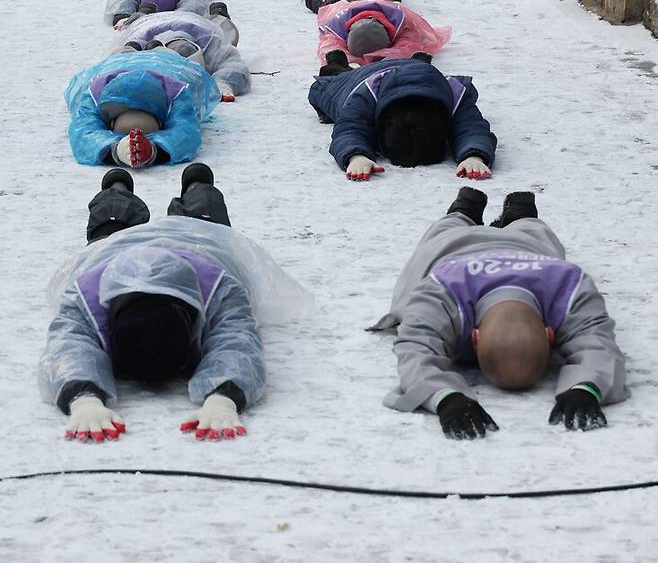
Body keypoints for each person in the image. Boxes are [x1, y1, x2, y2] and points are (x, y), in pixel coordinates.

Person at [39, 164, 309, 441]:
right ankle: (117, 192)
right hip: (115, 252)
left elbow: (237, 340)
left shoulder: (221, 287)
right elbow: (68, 345)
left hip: (201, 246)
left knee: (205, 223)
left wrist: (223, 398)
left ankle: (197, 188)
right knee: (111, 229)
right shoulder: (85, 294)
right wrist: (83, 401)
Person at [372, 188, 628, 438]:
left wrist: (586, 387)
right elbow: (597, 341)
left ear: (475, 337)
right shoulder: (440, 290)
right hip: (454, 248)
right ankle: (480, 211)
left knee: (528, 235)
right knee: (454, 230)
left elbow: (417, 348)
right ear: (550, 334)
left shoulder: (568, 284)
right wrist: (588, 384)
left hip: (514, 247)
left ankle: (502, 212)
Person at [308, 55, 496, 181]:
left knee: (419, 68)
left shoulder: (454, 96)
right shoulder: (365, 95)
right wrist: (355, 155)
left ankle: (418, 58)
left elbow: (471, 128)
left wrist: (474, 155)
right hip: (357, 78)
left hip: (420, 73)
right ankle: (336, 60)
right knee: (337, 76)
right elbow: (349, 126)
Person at [65, 50, 220, 167]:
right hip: (167, 61)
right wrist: (155, 150)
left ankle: (135, 47)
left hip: (131, 60)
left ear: (111, 124)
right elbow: (185, 133)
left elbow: (84, 133)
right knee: (177, 48)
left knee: (128, 48)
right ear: (160, 122)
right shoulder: (176, 93)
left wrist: (114, 150)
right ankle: (153, 47)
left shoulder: (95, 93)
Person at [114, 9, 251, 100]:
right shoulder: (137, 43)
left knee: (225, 27)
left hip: (196, 21)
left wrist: (222, 84)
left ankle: (218, 12)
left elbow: (234, 65)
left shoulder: (210, 43)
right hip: (148, 22)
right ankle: (140, 13)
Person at [317, 0, 452, 66]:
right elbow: (329, 49)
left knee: (392, 0)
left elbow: (409, 46)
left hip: (386, 11)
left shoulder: (404, 22)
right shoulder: (336, 26)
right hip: (357, 11)